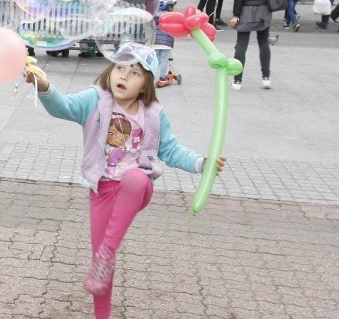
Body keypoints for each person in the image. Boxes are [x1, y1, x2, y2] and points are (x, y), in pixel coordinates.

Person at [24, 42, 225, 319]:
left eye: (134, 73)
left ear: (146, 84)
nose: (123, 76)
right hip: (102, 189)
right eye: (119, 68)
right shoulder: (95, 99)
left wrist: (202, 164)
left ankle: (108, 250)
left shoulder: (153, 114)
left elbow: (170, 151)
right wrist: (44, 86)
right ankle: (102, 306)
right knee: (100, 268)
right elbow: (64, 107)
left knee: (134, 178)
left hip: (136, 188)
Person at [154, 0, 178, 87]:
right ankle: (163, 78)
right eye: (174, 6)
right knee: (164, 59)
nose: (175, 8)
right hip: (166, 42)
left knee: (156, 59)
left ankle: (150, 76)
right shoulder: (172, 16)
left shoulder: (155, 15)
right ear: (169, 7)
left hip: (155, 41)